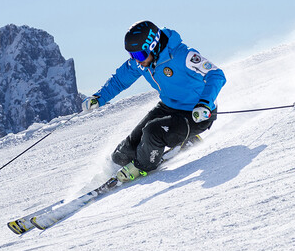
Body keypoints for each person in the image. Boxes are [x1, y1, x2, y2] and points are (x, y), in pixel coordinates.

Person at [82, 21, 226, 182]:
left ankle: (143, 167)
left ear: (154, 46)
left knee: (152, 133)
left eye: (140, 55)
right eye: (132, 55)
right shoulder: (142, 64)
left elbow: (216, 75)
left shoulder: (182, 56)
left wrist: (204, 104)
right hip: (168, 107)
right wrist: (98, 99)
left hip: (196, 114)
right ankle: (181, 142)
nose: (137, 60)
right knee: (123, 154)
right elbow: (119, 81)